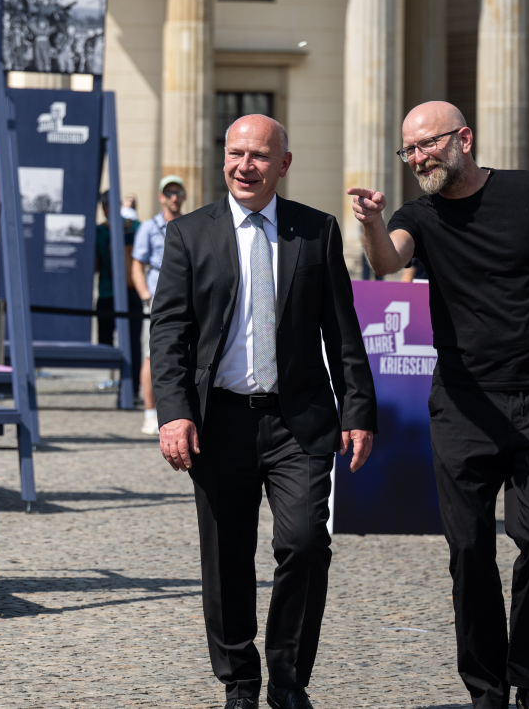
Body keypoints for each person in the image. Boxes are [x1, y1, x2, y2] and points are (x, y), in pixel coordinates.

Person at [348, 101, 529, 709]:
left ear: (464, 139)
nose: (418, 157)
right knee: (470, 549)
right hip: (461, 404)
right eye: (410, 150)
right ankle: (486, 687)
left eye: (428, 144)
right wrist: (370, 222)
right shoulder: (416, 215)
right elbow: (386, 260)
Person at [152, 114, 376, 709]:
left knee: (304, 544)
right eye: (234, 153)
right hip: (218, 421)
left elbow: (343, 331)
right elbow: (169, 332)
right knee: (226, 555)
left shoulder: (316, 231)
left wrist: (359, 411)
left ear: (284, 162)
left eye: (257, 155)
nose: (243, 166)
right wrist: (173, 413)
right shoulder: (189, 235)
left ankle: (289, 679)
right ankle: (240, 682)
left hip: (296, 422)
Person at [131, 175, 187, 434]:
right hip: (157, 300)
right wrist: (145, 297)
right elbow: (137, 265)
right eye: (169, 193)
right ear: (162, 197)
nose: (174, 197)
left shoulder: (190, 225)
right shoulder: (148, 227)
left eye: (178, 192)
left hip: (185, 300)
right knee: (151, 357)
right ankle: (149, 412)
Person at [95, 191, 141, 376]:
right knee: (131, 342)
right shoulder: (135, 226)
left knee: (108, 340)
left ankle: (115, 378)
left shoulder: (100, 231)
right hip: (128, 289)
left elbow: (96, 264)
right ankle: (129, 384)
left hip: (110, 291)